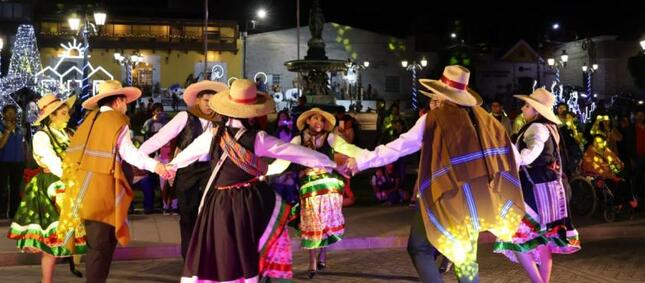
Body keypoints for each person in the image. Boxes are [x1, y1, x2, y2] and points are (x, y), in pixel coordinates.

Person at [345, 65, 526, 283]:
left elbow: (399, 147)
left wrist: (361, 161)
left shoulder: (434, 119)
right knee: (466, 257)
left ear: (442, 94)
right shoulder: (486, 120)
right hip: (477, 197)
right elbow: (515, 158)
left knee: (419, 247)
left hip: (444, 194)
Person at [166, 79, 344, 282]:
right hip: (249, 202)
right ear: (252, 111)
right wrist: (329, 162)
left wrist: (169, 167)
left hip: (219, 202)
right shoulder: (257, 138)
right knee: (248, 248)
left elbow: (188, 154)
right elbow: (293, 152)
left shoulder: (213, 134)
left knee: (223, 249)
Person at [57, 80, 172, 283]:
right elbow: (129, 154)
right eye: (125, 101)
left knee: (95, 246)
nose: (126, 106)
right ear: (118, 101)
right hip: (103, 192)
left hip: (82, 190)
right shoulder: (116, 121)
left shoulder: (89, 120)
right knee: (102, 248)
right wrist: (157, 167)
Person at [494, 88, 580, 283]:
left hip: (535, 191)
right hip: (550, 190)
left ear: (536, 110)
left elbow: (532, 153)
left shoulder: (536, 128)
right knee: (542, 242)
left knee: (516, 236)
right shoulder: (549, 127)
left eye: (527, 105)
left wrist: (512, 158)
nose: (523, 109)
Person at [270, 107, 364, 277]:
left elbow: (348, 149)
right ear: (307, 121)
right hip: (309, 188)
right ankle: (312, 262)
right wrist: (268, 170)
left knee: (325, 224)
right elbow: (284, 157)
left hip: (329, 188)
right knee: (312, 224)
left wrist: (367, 157)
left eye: (321, 120)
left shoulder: (331, 138)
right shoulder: (299, 139)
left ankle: (323, 253)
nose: (318, 122)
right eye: (315, 118)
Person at [138, 80, 227, 259]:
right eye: (205, 100)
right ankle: (189, 257)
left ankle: (207, 255)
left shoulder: (221, 120)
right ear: (197, 101)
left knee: (210, 215)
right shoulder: (185, 117)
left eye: (212, 101)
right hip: (186, 171)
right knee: (187, 216)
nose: (209, 105)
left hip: (211, 171)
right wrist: (137, 155)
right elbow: (161, 137)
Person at [7, 95, 85, 282]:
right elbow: (53, 161)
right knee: (52, 238)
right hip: (51, 186)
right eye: (64, 113)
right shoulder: (42, 136)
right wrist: (71, 176)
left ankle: (66, 267)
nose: (68, 117)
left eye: (68, 113)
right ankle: (46, 280)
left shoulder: (68, 133)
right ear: (52, 116)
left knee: (66, 237)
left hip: (70, 185)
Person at [0, 104, 27, 220]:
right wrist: (7, 131)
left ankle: (14, 214)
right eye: (8, 112)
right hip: (4, 162)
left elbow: (23, 145)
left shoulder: (20, 129)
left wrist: (25, 158)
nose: (11, 115)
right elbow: (1, 145)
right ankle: (1, 214)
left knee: (16, 189)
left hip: (19, 163)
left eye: (13, 112)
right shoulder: (0, 127)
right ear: (3, 114)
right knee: (2, 189)